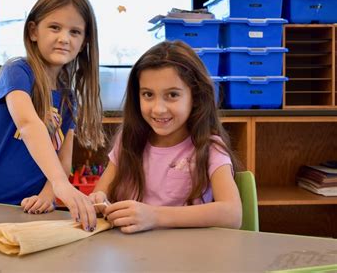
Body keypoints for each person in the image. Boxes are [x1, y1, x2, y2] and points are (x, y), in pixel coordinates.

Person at [0, 0, 105, 231]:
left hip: (27, 214)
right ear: (34, 31)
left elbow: (64, 161)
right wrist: (61, 185)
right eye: (54, 27)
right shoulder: (18, 71)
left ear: (84, 41)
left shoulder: (68, 99)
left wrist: (48, 194)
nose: (64, 38)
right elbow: (28, 124)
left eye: (75, 31)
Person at [90, 40, 242, 233]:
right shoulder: (128, 140)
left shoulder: (209, 147)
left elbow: (233, 214)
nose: (158, 109)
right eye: (147, 94)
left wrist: (154, 216)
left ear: (195, 97)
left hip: (186, 256)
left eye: (172, 95)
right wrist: (98, 200)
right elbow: (100, 194)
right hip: (132, 255)